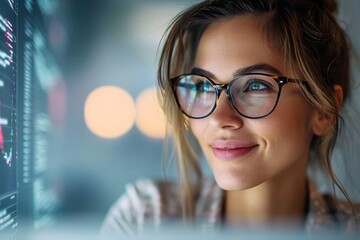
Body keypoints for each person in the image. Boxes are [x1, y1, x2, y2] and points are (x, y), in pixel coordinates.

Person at [101, 0, 360, 237]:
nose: (218, 117)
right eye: (202, 86)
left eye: (256, 86)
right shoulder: (146, 220)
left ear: (324, 110)